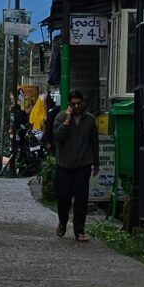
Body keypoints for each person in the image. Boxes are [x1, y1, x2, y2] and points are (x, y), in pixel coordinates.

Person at [53, 89, 99, 242]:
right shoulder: (60, 117)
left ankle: (79, 230)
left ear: (83, 103)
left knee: (81, 199)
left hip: (83, 165)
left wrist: (96, 163)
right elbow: (58, 137)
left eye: (79, 103)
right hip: (64, 165)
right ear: (69, 105)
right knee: (64, 199)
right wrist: (67, 120)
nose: (77, 106)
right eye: (73, 104)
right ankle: (63, 221)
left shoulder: (90, 120)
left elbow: (94, 142)